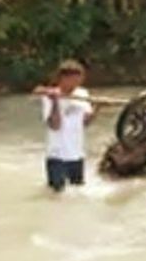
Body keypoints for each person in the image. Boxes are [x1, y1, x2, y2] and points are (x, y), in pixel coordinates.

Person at [39, 60, 98, 193]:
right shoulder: (49, 96)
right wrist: (55, 102)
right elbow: (55, 126)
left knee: (77, 194)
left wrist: (98, 108)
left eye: (79, 80)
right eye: (74, 80)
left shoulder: (82, 94)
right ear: (63, 79)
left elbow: (85, 123)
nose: (77, 84)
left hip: (77, 155)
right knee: (57, 195)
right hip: (57, 156)